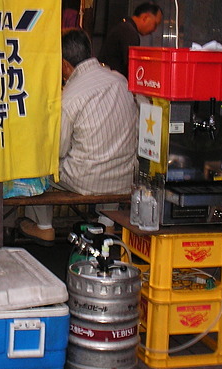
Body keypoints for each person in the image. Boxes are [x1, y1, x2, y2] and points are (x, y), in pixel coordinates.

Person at [17, 28, 139, 245]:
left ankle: (44, 227)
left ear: (64, 64)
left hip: (87, 181)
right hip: (124, 178)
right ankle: (106, 223)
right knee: (113, 153)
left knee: (38, 160)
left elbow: (58, 150)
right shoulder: (121, 82)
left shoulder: (70, 96)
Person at [98, 2, 163, 78]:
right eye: (155, 24)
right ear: (145, 17)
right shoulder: (129, 32)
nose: (154, 30)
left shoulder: (124, 26)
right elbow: (131, 67)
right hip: (111, 79)